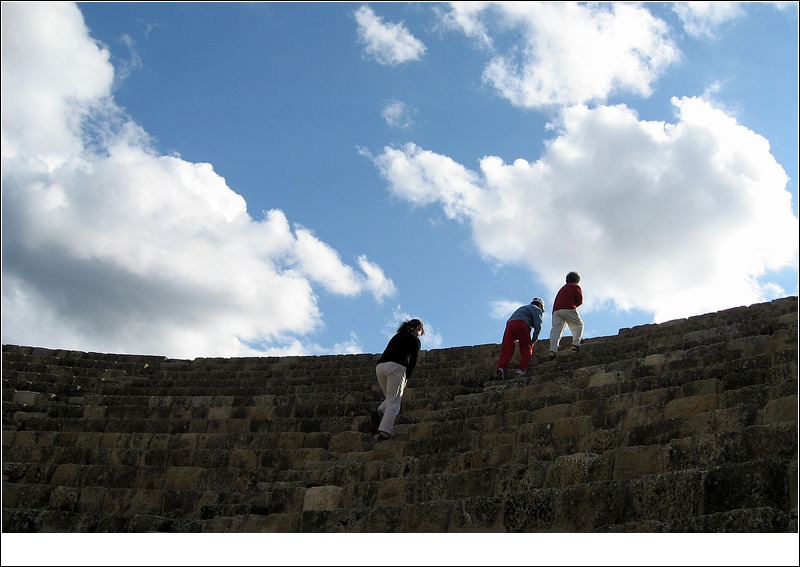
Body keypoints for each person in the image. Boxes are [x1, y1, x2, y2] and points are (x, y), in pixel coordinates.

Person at [371, 318, 424, 441]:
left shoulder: (397, 336)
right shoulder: (414, 340)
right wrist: (407, 377)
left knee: (391, 396)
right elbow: (413, 361)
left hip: (380, 367)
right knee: (394, 403)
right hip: (396, 367)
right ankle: (384, 432)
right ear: (418, 329)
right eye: (421, 332)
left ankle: (379, 411)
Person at [495, 297, 545, 380]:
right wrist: (534, 339)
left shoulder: (522, 308)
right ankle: (521, 369)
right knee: (527, 348)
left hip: (510, 324)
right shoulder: (536, 309)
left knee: (507, 349)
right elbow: (538, 325)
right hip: (522, 323)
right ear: (540, 305)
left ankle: (501, 368)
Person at [548, 271, 584, 360]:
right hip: (568, 307)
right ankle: (576, 343)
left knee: (556, 331)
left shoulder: (562, 288)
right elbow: (580, 301)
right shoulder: (575, 286)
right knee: (578, 325)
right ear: (576, 281)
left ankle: (553, 351)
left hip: (556, 310)